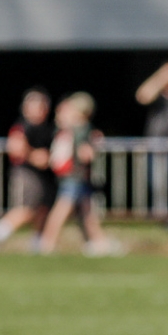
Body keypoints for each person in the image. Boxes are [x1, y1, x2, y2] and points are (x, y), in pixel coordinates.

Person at [37, 93, 118, 256]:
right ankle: (47, 243)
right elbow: (84, 153)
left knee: (87, 212)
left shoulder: (67, 127)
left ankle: (96, 242)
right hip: (76, 175)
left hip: (71, 176)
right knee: (62, 210)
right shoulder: (83, 128)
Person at [0, 88, 56, 252]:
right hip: (26, 173)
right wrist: (35, 156)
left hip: (44, 175)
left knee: (43, 209)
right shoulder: (22, 127)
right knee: (26, 209)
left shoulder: (48, 128)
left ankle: (38, 244)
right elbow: (15, 147)